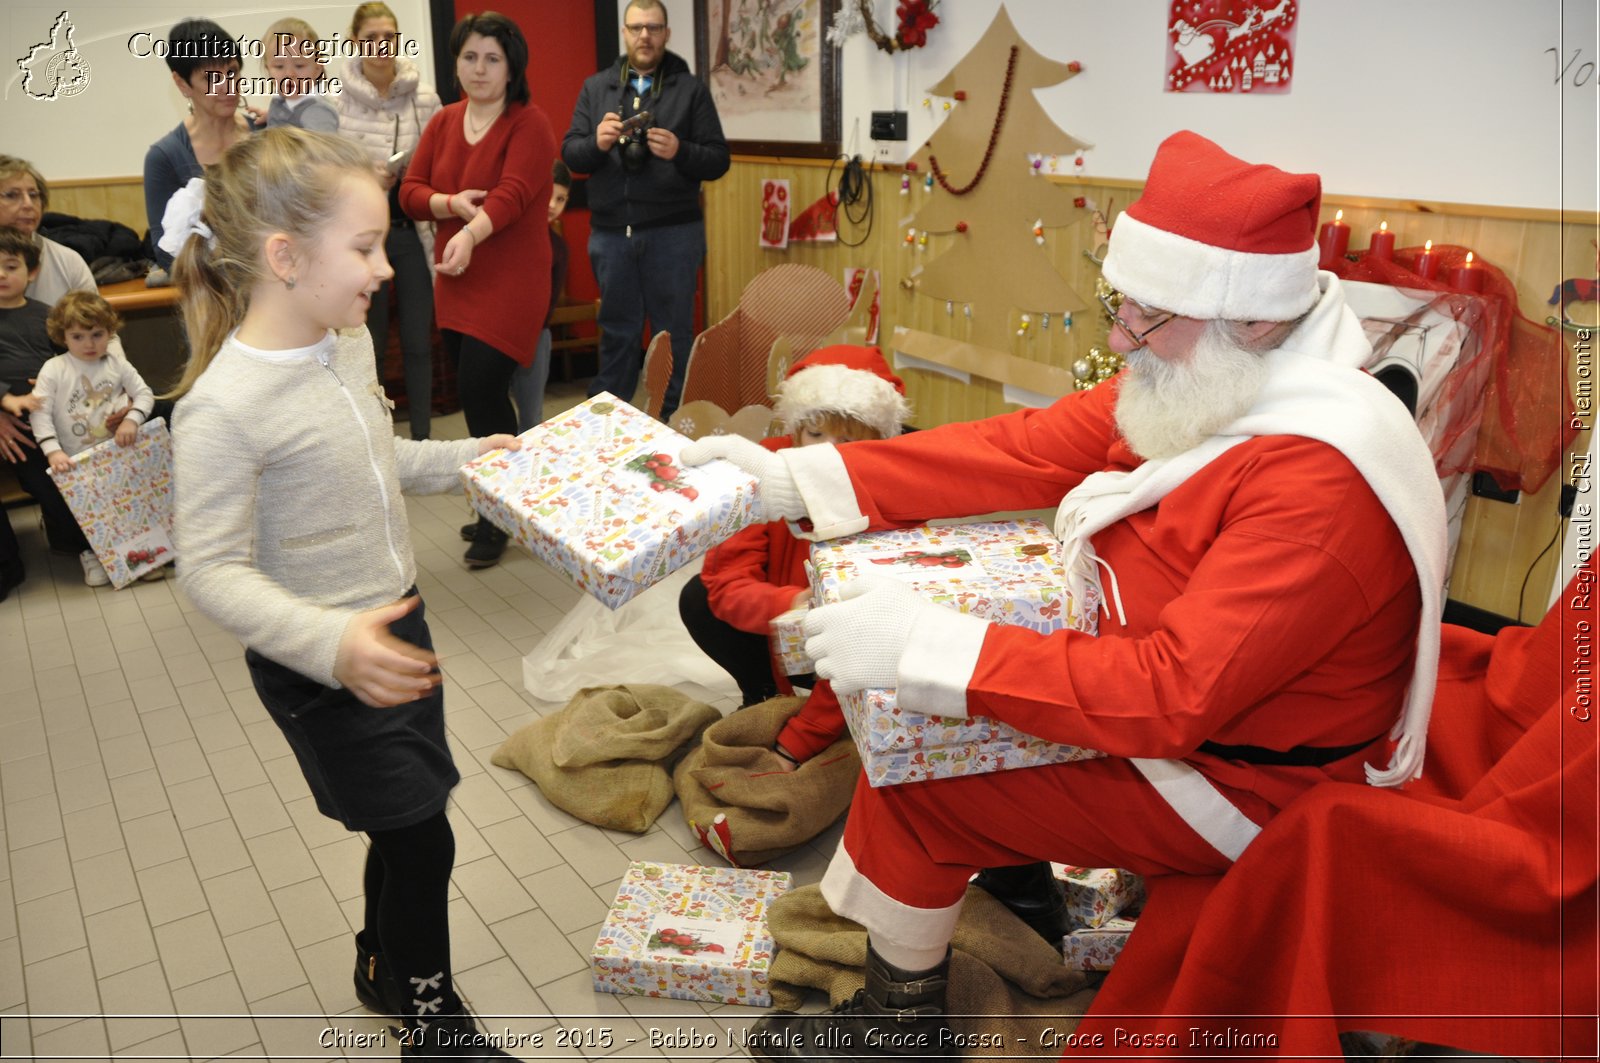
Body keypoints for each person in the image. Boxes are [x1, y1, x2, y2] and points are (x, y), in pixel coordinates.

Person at [683, 130, 1449, 1058]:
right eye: (1120, 306)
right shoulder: (1223, 374)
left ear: (1250, 317)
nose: (1122, 338)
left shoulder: (1318, 482)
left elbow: (1173, 694)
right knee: (924, 738)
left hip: (1247, 781)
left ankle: (903, 1025)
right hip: (1183, 716)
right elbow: (1025, 447)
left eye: (1147, 318)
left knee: (923, 783)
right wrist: (793, 480)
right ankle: (998, 911)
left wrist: (930, 647)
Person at [164, 126, 524, 1061]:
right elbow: (208, 567)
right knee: (424, 840)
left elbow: (378, 456)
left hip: (397, 621)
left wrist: (470, 459)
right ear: (284, 257)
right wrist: (333, 645)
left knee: (408, 822)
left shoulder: (346, 343)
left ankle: (380, 962)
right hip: (323, 662)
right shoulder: (222, 407)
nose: (384, 268)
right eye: (364, 249)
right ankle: (434, 1023)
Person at [678, 346, 910, 766]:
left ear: (876, 441)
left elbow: (870, 642)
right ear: (795, 429)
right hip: (788, 632)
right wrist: (791, 604)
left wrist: (797, 744)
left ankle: (826, 720)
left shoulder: (892, 492)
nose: (825, 451)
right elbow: (725, 580)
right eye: (815, 434)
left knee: (872, 640)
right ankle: (764, 696)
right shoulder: (766, 466)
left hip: (855, 644)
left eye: (847, 439)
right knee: (698, 599)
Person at [401, 11, 555, 569]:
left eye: (492, 58)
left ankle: (500, 516)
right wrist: (449, 205)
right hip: (456, 279)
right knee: (478, 398)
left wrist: (468, 231)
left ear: (512, 66)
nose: (479, 69)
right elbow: (411, 191)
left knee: (482, 390)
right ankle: (502, 502)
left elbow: (513, 195)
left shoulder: (529, 123)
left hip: (511, 280)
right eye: (470, 57)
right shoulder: (443, 121)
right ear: (456, 61)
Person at [562, 0, 729, 419]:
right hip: (612, 235)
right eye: (636, 27)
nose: (645, 36)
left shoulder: (690, 89)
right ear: (624, 32)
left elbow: (718, 159)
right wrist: (596, 143)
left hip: (675, 233)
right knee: (617, 334)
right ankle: (609, 428)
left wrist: (681, 150)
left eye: (654, 28)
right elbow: (571, 155)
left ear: (666, 34)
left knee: (675, 336)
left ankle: (675, 423)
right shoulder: (595, 87)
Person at [337, 0, 442, 440]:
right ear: (354, 42)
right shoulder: (335, 99)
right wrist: (367, 178)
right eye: (370, 38)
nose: (381, 46)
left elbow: (443, 163)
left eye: (389, 37)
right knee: (368, 345)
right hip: (361, 240)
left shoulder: (424, 97)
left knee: (419, 343)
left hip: (412, 234)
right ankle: (377, 440)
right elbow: (326, 177)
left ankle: (422, 438)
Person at [30, 291, 157, 586]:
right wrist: (52, 451)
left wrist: (132, 418)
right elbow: (40, 413)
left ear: (110, 333)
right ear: (63, 336)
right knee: (88, 514)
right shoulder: (54, 369)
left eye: (97, 334)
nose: (89, 344)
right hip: (74, 461)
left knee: (128, 506)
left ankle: (141, 556)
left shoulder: (116, 364)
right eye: (78, 336)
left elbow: (145, 394)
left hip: (118, 453)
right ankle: (92, 554)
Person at [0, 226, 100, 585]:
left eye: (11, 266)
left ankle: (95, 546)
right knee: (47, 484)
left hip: (51, 420)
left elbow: (75, 361)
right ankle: (78, 548)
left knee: (68, 481)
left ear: (32, 272)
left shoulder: (47, 315)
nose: (1, 274)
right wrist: (7, 399)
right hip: (12, 423)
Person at [144, 18, 253, 277]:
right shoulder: (165, 157)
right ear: (182, 84)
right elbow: (166, 253)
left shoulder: (265, 132)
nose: (227, 86)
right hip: (212, 296)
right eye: (210, 77)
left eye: (232, 71)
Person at [510, 160, 571, 434]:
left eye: (561, 199)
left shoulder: (558, 247)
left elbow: (550, 301)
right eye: (548, 195)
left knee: (531, 416)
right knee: (496, 409)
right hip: (500, 332)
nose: (552, 205)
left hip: (536, 336)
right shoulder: (509, 233)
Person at [259, 18, 340, 132]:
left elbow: (323, 149)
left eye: (299, 65)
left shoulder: (318, 113)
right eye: (279, 66)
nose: (289, 74)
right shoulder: (280, 100)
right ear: (268, 70)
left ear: (317, 68)